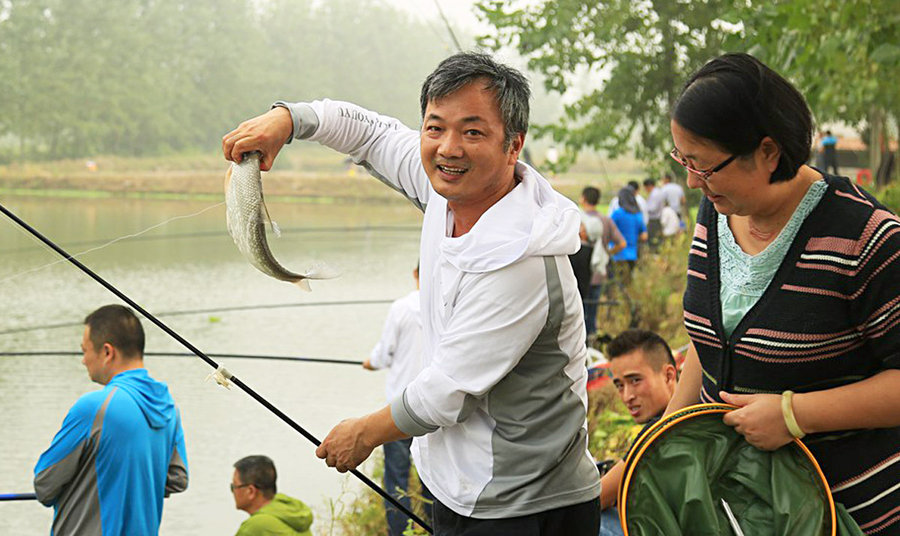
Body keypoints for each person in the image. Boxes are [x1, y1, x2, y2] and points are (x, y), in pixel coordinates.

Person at [223, 52, 601, 534]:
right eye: (434, 127)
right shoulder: (444, 188)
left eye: (473, 132)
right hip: (462, 488)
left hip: (529, 505)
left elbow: (446, 393)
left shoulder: (523, 260)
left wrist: (362, 434)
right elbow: (370, 132)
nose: (449, 148)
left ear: (513, 146)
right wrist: (288, 119)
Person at [667, 52, 900, 532]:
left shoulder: (867, 239)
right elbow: (709, 342)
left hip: (847, 511)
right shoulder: (717, 212)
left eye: (705, 166)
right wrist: (663, 444)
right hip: (742, 507)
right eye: (683, 160)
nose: (692, 182)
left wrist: (796, 415)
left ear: (768, 152)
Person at [33, 304, 188, 535]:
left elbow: (45, 484)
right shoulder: (169, 409)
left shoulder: (94, 408)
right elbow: (177, 479)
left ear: (107, 352)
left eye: (84, 351)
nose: (83, 360)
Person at [363, 264, 432, 536]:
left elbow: (384, 353)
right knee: (433, 477)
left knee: (396, 478)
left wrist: (370, 362)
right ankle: (435, 527)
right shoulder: (446, 305)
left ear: (415, 274)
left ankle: (399, 531)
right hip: (432, 409)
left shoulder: (401, 307)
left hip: (399, 410)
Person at [597, 329, 678, 536]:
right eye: (619, 385)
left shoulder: (662, 430)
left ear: (669, 375)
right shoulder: (696, 408)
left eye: (635, 381)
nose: (627, 396)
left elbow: (598, 498)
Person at [579, 186, 627, 338]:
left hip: (579, 273)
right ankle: (592, 336)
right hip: (599, 273)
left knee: (579, 310)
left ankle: (583, 342)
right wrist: (607, 253)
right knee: (592, 311)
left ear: (583, 199)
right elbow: (622, 243)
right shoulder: (606, 220)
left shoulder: (579, 219)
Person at [231, 455, 313, 536]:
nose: (233, 491)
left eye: (234, 486)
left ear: (251, 491)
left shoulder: (257, 525)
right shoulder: (289, 511)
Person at [609, 186, 648, 281]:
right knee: (628, 282)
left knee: (617, 283)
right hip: (632, 254)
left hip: (617, 253)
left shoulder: (617, 214)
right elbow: (644, 236)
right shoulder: (637, 215)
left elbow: (609, 231)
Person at [643, 178, 664, 250]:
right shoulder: (657, 192)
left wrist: (644, 208)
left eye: (645, 188)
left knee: (653, 238)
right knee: (655, 237)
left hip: (654, 219)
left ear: (649, 186)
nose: (645, 190)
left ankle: (654, 252)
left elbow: (652, 208)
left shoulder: (654, 194)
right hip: (656, 218)